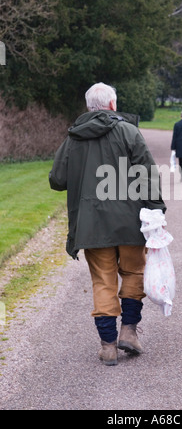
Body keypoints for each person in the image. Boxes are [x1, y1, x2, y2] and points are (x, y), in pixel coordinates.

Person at [49, 82, 166, 366]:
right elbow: (147, 174)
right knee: (134, 272)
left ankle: (108, 346)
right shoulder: (128, 131)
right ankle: (129, 330)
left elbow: (57, 180)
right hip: (129, 222)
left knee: (103, 280)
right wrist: (156, 210)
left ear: (89, 107)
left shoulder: (74, 138)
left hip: (91, 224)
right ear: (112, 105)